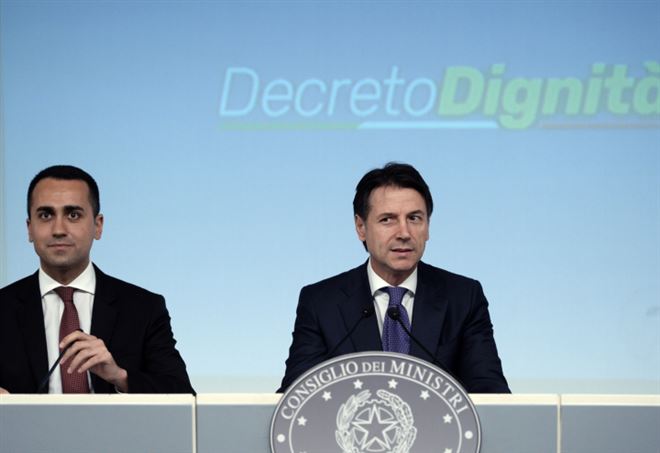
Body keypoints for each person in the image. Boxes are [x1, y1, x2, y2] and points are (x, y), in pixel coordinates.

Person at [279, 162, 510, 393]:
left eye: (414, 218)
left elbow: (492, 396)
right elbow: (295, 398)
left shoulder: (463, 298)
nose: (404, 233)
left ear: (428, 226)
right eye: (387, 219)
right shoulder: (321, 303)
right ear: (361, 227)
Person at [0, 165, 194, 394]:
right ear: (29, 229)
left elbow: (182, 394)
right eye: (46, 215)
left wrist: (120, 377)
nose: (58, 229)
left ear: (98, 226)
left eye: (73, 215)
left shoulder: (144, 308)